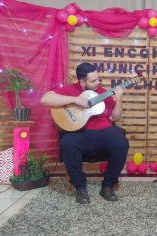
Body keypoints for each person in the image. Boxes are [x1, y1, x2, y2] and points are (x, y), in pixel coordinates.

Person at [41, 62, 129, 204]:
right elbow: (45, 99)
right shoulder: (70, 90)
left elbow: (115, 118)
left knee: (121, 143)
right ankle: (80, 187)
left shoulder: (103, 93)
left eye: (98, 79)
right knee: (67, 143)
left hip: (104, 131)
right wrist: (75, 100)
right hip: (79, 132)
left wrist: (118, 100)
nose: (98, 83)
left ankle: (108, 185)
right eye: (93, 80)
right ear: (82, 81)